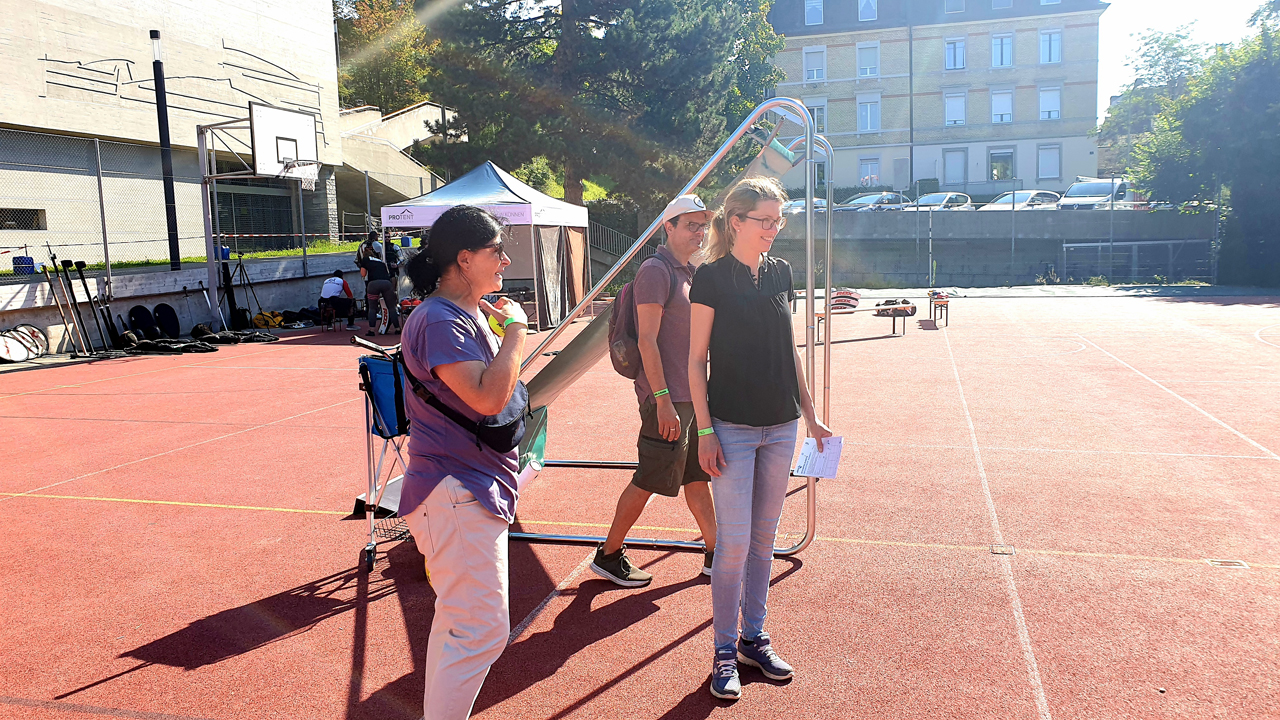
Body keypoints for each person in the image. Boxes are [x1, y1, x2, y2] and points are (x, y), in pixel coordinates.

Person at [687, 177, 832, 701]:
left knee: (764, 541)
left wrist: (810, 414)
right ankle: (724, 650)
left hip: (781, 424)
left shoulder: (781, 272)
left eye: (778, 220)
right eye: (765, 220)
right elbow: (694, 361)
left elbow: (788, 349)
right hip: (731, 427)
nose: (774, 228)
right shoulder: (710, 278)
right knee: (733, 545)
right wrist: (705, 430)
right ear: (736, 222)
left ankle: (754, 638)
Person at [398, 205, 528, 720]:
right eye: (498, 251)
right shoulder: (438, 319)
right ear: (465, 258)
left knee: (460, 626)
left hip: (465, 487)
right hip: (454, 490)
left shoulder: (466, 313)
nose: (506, 261)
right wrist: (516, 332)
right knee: (480, 630)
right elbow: (488, 398)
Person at [590, 195, 718, 587]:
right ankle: (608, 555)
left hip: (689, 397)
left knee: (696, 477)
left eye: (702, 226)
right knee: (648, 478)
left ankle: (717, 551)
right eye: (690, 225)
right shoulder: (655, 271)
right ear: (669, 227)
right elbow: (646, 341)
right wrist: (662, 402)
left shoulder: (688, 272)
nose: (699, 232)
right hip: (669, 399)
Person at [359, 231, 401, 336]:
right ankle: (397, 328)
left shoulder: (365, 260)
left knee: (372, 308)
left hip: (373, 283)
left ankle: (372, 330)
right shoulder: (381, 262)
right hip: (386, 283)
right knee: (391, 307)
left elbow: (363, 274)